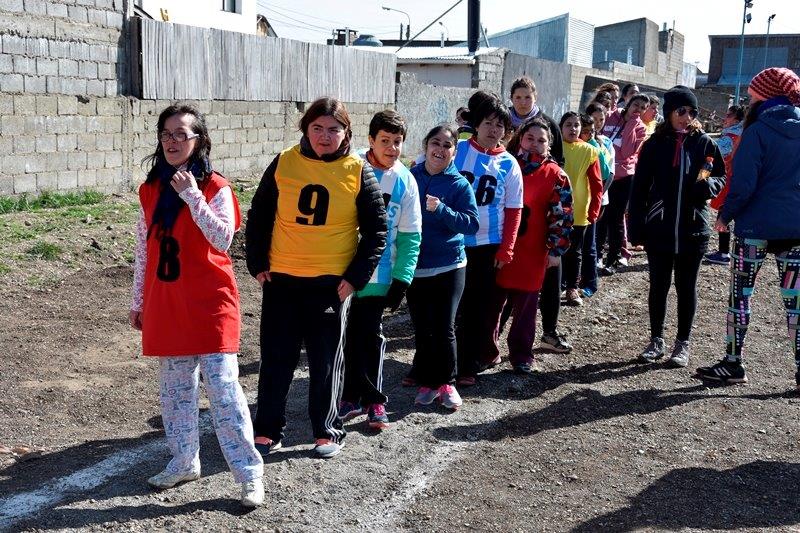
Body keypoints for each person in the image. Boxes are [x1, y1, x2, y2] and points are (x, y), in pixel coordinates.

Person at [131, 104, 264, 507]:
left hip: (211, 305)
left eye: (181, 134)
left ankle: (249, 475)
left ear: (198, 140)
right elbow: (144, 247)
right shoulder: (150, 188)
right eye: (166, 134)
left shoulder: (216, 187)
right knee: (175, 393)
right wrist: (138, 299)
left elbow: (222, 238)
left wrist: (191, 196)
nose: (172, 142)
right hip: (168, 302)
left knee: (224, 391)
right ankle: (184, 461)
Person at [245, 97, 387, 459]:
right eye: (318, 128)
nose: (325, 136)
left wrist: (355, 277)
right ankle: (267, 430)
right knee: (276, 358)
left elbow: (376, 230)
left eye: (334, 129)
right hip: (282, 279)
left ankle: (327, 430)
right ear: (306, 129)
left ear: (346, 133)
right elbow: (259, 214)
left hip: (330, 284)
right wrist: (257, 261)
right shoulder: (284, 162)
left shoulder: (358, 170)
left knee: (325, 361)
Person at [694, 68, 800, 387]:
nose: (749, 99)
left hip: (754, 227)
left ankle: (733, 362)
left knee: (741, 295)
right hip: (795, 230)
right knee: (795, 301)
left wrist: (726, 215)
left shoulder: (756, 130)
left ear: (764, 95)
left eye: (753, 94)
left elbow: (744, 183)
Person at [628, 86, 725, 368]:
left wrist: (707, 185)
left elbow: (715, 172)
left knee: (686, 286)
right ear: (669, 112)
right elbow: (640, 189)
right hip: (659, 228)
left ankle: (682, 343)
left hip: (694, 229)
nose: (686, 117)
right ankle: (656, 339)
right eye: (681, 111)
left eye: (691, 112)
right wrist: (636, 228)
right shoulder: (654, 144)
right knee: (658, 285)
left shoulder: (704, 143)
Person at [339, 111, 422, 429]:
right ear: (370, 140)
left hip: (377, 275)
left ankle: (374, 401)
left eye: (397, 142)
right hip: (340, 272)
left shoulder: (406, 180)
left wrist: (402, 279)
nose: (391, 148)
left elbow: (411, 236)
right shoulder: (350, 165)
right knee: (344, 338)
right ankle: (347, 396)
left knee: (370, 337)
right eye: (384, 141)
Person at [485, 118, 573, 373]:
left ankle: (521, 355)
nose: (535, 144)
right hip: (498, 246)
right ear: (520, 139)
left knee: (526, 308)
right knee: (492, 304)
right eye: (530, 138)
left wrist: (556, 250)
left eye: (541, 140)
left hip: (533, 250)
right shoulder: (504, 165)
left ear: (550, 145)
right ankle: (487, 352)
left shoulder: (556, 175)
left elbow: (563, 215)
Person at [405, 124, 479, 407]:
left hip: (450, 265)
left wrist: (443, 209)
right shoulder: (411, 177)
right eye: (435, 143)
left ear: (454, 152)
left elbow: (472, 224)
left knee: (445, 326)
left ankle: (447, 383)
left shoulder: (459, 184)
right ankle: (427, 380)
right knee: (423, 327)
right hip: (417, 265)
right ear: (426, 146)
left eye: (447, 145)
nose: (440, 149)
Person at [454, 96, 524, 386]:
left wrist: (507, 248)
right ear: (477, 125)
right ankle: (433, 363)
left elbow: (514, 209)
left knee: (476, 307)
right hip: (452, 241)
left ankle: (468, 363)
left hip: (487, 246)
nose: (493, 129)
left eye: (500, 125)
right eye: (488, 123)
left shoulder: (509, 164)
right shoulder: (456, 150)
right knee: (447, 306)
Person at [597, 94, 648, 276]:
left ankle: (613, 259)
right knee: (600, 216)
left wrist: (632, 124)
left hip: (623, 178)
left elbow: (627, 152)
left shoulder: (640, 129)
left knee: (616, 219)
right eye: (636, 104)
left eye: (642, 108)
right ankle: (597, 257)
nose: (638, 109)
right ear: (628, 102)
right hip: (603, 175)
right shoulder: (611, 116)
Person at [559, 112, 602, 306]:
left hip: (578, 210)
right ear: (561, 127)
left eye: (576, 125)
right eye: (568, 124)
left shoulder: (589, 151)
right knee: (552, 249)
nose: (573, 129)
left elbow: (597, 183)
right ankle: (551, 285)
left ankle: (572, 288)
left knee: (574, 252)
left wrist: (594, 209)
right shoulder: (553, 148)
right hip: (554, 210)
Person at [580, 104, 615, 297]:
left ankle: (590, 282)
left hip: (592, 201)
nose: (589, 134)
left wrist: (598, 198)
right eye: (585, 131)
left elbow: (607, 175)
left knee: (589, 244)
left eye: (590, 131)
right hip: (578, 202)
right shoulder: (575, 146)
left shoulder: (597, 147)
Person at [704, 104, 745, 265]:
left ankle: (723, 252)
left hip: (727, 180)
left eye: (728, 115)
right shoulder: (744, 134)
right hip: (737, 179)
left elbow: (717, 154)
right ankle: (731, 253)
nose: (725, 118)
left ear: (736, 119)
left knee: (724, 216)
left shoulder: (730, 137)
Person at [508, 77, 565, 165]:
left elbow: (558, 160)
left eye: (528, 97)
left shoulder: (549, 125)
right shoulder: (502, 120)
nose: (523, 102)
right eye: (518, 97)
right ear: (511, 98)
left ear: (535, 98)